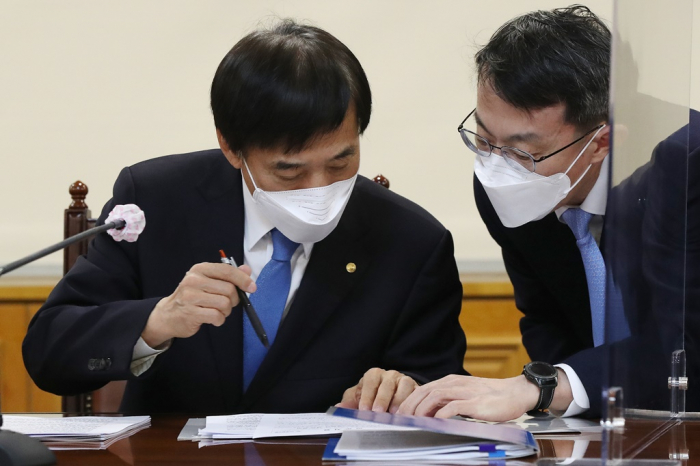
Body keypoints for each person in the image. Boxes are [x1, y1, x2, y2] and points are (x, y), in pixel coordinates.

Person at [22, 20, 467, 414]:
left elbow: (438, 385)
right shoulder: (157, 200)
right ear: (231, 147)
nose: (318, 187)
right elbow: (49, 353)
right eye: (288, 169)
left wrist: (405, 390)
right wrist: (158, 320)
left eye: (340, 162)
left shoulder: (411, 241)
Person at [340, 5, 699, 420]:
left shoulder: (687, 169)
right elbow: (546, 316)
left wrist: (542, 387)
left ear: (601, 143)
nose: (496, 166)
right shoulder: (501, 183)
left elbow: (687, 350)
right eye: (484, 137)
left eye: (522, 151)